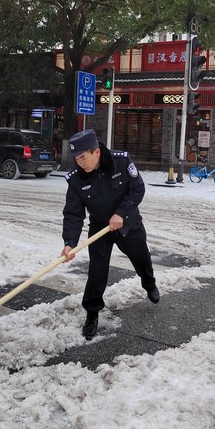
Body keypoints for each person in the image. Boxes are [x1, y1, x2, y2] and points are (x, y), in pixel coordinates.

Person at [60, 129, 158, 340]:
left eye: (83, 158)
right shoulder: (76, 179)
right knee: (97, 271)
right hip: (100, 228)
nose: (80, 163)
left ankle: (149, 283)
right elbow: (73, 214)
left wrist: (121, 213)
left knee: (141, 259)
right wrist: (69, 243)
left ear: (96, 152)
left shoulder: (120, 162)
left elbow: (137, 189)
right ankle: (92, 313)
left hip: (128, 224)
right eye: (77, 159)